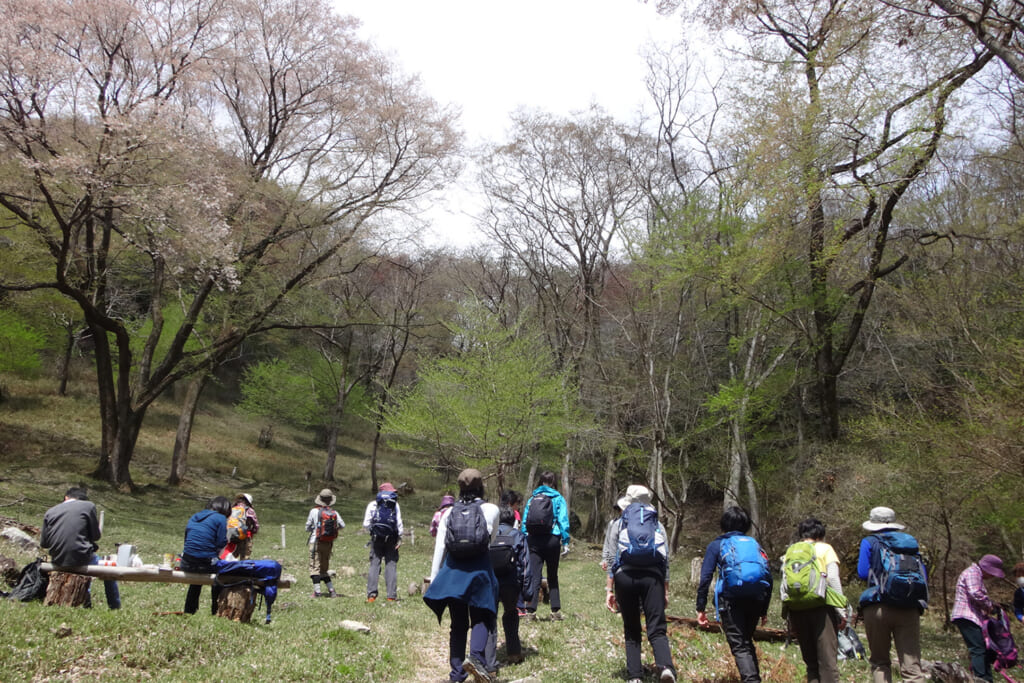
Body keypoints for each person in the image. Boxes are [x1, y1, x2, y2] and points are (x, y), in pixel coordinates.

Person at [423, 468, 501, 683]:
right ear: (481, 486)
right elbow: (491, 540)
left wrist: (433, 577)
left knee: (457, 624)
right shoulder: (491, 509)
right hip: (479, 571)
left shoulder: (448, 512)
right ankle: (475, 659)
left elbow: (440, 547)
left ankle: (456, 674)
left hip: (454, 572)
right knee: (482, 617)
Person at [605, 485, 676, 683]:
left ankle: (635, 677)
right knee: (657, 627)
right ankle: (666, 667)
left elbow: (611, 558)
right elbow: (665, 560)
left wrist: (609, 589)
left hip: (624, 577)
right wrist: (665, 590)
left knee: (631, 628)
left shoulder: (618, 523)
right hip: (652, 577)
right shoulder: (657, 525)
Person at [696, 505, 772, 683]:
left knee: (739, 645)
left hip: (731, 600)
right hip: (756, 599)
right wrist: (764, 609)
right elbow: (769, 576)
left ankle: (751, 680)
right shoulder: (755, 545)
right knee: (746, 641)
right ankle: (754, 679)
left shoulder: (717, 544)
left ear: (723, 524)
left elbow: (706, 577)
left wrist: (701, 607)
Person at [856, 506, 928, 683]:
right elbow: (923, 574)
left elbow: (863, 572)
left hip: (878, 605)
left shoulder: (869, 541)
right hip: (909, 607)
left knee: (880, 662)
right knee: (912, 665)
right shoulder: (910, 543)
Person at [782, 517, 846, 683]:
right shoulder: (826, 549)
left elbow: (784, 584)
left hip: (797, 610)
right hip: (821, 609)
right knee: (827, 662)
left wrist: (788, 613)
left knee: (811, 662)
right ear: (820, 533)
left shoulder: (792, 551)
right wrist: (841, 610)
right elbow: (832, 579)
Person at [39, 487, 120, 609]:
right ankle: (114, 605)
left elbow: (44, 543)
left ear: (66, 497)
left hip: (58, 558)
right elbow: (96, 536)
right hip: (82, 556)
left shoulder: (50, 511)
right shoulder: (88, 506)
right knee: (108, 570)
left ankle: (84, 601)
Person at [484, 504, 533, 672]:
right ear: (513, 521)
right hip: (511, 584)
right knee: (511, 614)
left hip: (490, 582)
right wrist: (527, 591)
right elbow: (526, 564)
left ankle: (489, 661)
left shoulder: (489, 535)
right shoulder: (518, 535)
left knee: (490, 618)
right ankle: (514, 653)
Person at [521, 471, 570, 620]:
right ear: (553, 482)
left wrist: (525, 537)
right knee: (552, 575)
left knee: (534, 575)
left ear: (540, 481)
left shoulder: (532, 498)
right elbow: (563, 520)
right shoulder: (558, 498)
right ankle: (555, 611)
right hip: (552, 539)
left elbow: (525, 521)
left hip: (534, 539)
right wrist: (565, 542)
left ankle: (530, 611)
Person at [952, 554, 1005, 682]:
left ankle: (987, 678)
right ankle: (980, 678)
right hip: (966, 615)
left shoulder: (977, 575)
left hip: (973, 616)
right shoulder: (973, 573)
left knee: (983, 649)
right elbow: (975, 593)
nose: (992, 576)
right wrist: (989, 605)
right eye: (992, 573)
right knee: (978, 649)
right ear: (987, 568)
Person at [180, 495, 230, 615]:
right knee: (220, 575)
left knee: (197, 576)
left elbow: (187, 538)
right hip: (205, 564)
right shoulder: (221, 518)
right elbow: (221, 542)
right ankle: (216, 609)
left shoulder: (195, 516)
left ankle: (189, 609)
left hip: (186, 562)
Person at [363, 481, 403, 602]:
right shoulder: (395, 504)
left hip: (376, 538)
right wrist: (399, 538)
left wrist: (373, 530)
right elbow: (399, 523)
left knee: (375, 564)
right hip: (391, 539)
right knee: (391, 565)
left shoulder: (372, 504)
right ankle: (391, 596)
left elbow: (365, 523)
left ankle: (371, 595)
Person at [305, 488, 344, 598]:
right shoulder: (334, 513)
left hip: (316, 541)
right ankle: (332, 591)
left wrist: (314, 528)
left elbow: (307, 527)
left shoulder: (314, 511)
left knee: (314, 567)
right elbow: (342, 525)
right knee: (324, 568)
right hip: (328, 542)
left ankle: (317, 592)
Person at [601, 493, 632, 573]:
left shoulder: (636, 524)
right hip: (617, 560)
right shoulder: (613, 523)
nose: (621, 511)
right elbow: (608, 542)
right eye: (619, 509)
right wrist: (605, 559)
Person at [230, 493, 259, 560]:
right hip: (246, 535)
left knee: (233, 554)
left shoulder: (232, 509)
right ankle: (243, 567)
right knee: (245, 555)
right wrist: (254, 531)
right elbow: (255, 523)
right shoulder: (250, 510)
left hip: (232, 535)